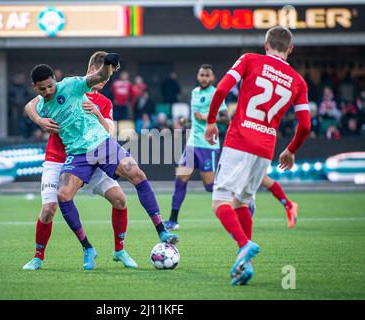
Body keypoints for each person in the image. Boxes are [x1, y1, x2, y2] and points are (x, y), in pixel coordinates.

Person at [24, 52, 178, 270]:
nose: (48, 91)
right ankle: (77, 249)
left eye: (50, 87)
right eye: (43, 89)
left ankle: (156, 232)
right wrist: (39, 120)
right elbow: (29, 106)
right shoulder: (43, 102)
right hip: (70, 156)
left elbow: (101, 86)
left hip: (101, 148)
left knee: (131, 183)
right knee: (57, 201)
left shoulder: (79, 89)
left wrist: (108, 65)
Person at [205, 26, 311, 285]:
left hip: (239, 139)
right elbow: (305, 125)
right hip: (266, 147)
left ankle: (244, 245)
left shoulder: (250, 60)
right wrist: (291, 150)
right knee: (241, 202)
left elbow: (220, 90)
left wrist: (210, 122)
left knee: (220, 203)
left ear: (266, 43)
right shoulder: (298, 81)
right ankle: (246, 265)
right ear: (290, 49)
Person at [164, 64, 229, 231]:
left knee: (209, 186)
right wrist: (184, 123)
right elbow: (195, 121)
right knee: (180, 180)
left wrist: (206, 117)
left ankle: (236, 203)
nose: (204, 78)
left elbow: (225, 118)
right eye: (202, 75)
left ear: (212, 78)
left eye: (207, 75)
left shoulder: (216, 93)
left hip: (208, 146)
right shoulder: (194, 93)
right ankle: (172, 220)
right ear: (198, 76)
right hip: (192, 144)